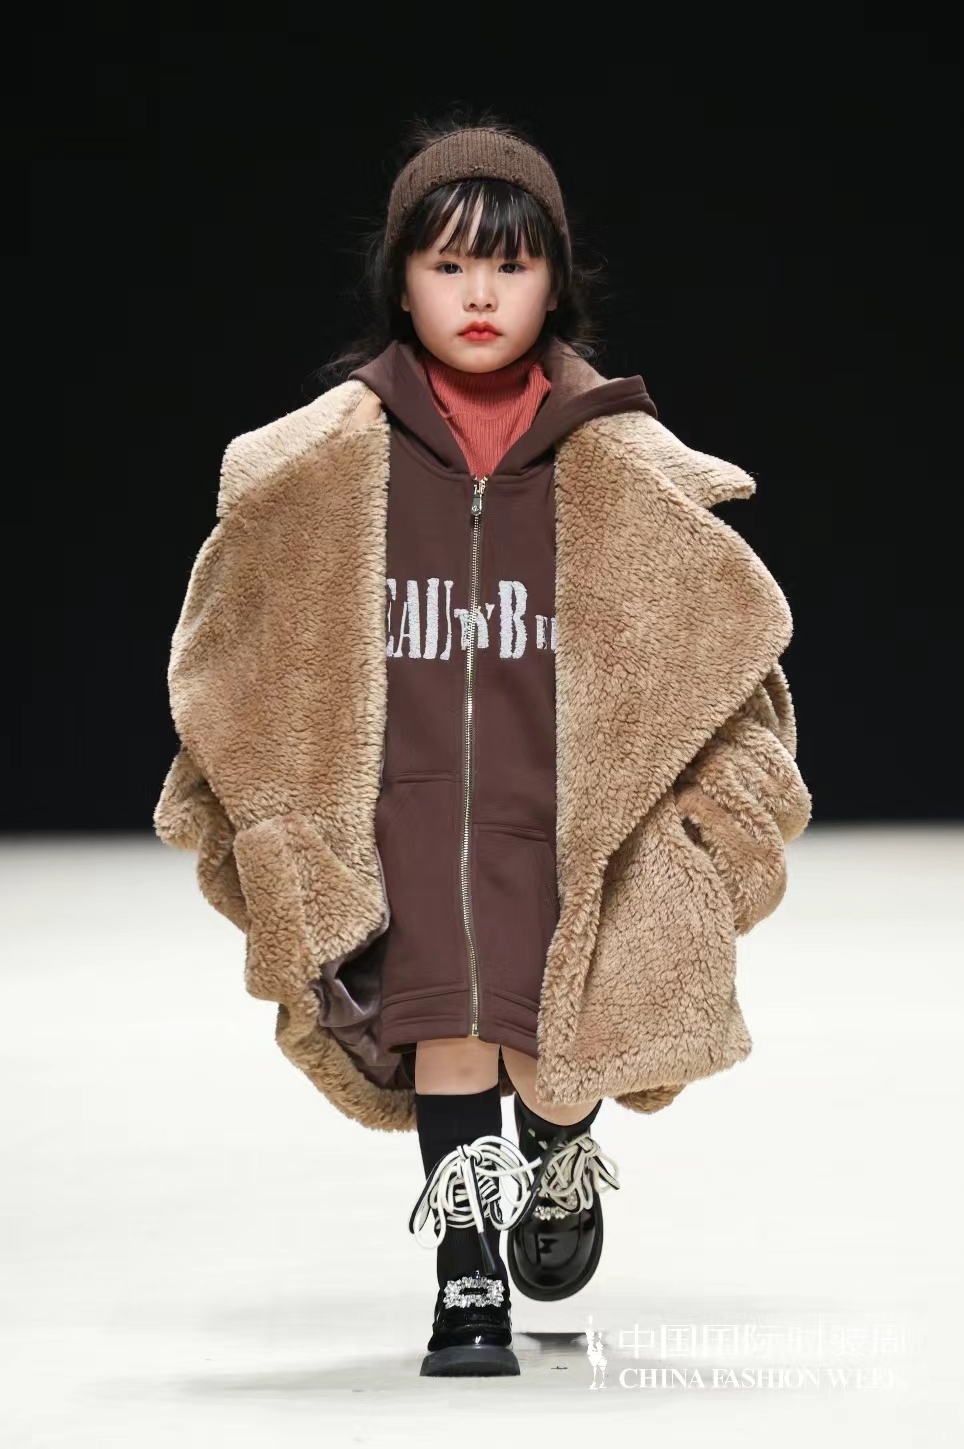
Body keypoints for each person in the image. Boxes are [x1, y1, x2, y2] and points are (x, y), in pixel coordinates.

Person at [154, 112, 812, 1379]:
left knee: (556, 1045)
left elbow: (719, 662)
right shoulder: (321, 463)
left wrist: (706, 823)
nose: (477, 294)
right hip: (401, 806)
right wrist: (277, 817)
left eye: (509, 266)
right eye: (447, 263)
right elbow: (236, 650)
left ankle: (557, 1144)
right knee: (448, 1025)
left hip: (569, 809)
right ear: (398, 278)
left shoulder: (621, 460)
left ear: (555, 282)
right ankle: (466, 1268)